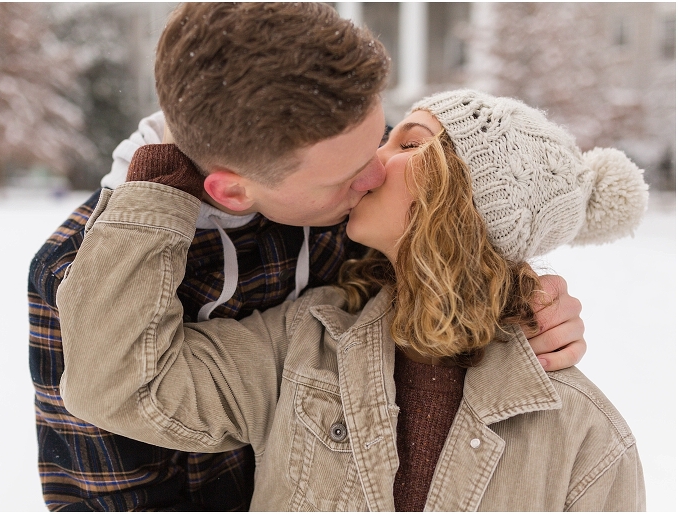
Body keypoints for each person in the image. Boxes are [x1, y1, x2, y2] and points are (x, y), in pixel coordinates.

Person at [29, 3, 585, 510]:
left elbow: (454, 223)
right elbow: (105, 487)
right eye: (350, 175)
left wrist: (521, 296)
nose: (375, 174)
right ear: (233, 192)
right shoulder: (81, 274)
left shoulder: (338, 182)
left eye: (384, 139)